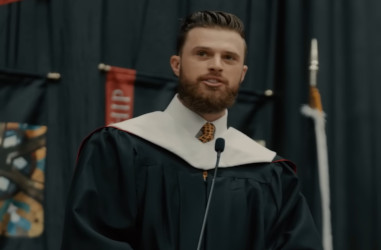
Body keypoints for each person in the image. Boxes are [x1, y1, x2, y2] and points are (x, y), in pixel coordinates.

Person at [60, 10, 323, 250]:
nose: (217, 65)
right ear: (176, 64)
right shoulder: (121, 147)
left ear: (242, 74)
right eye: (203, 54)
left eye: (229, 58)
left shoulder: (269, 172)